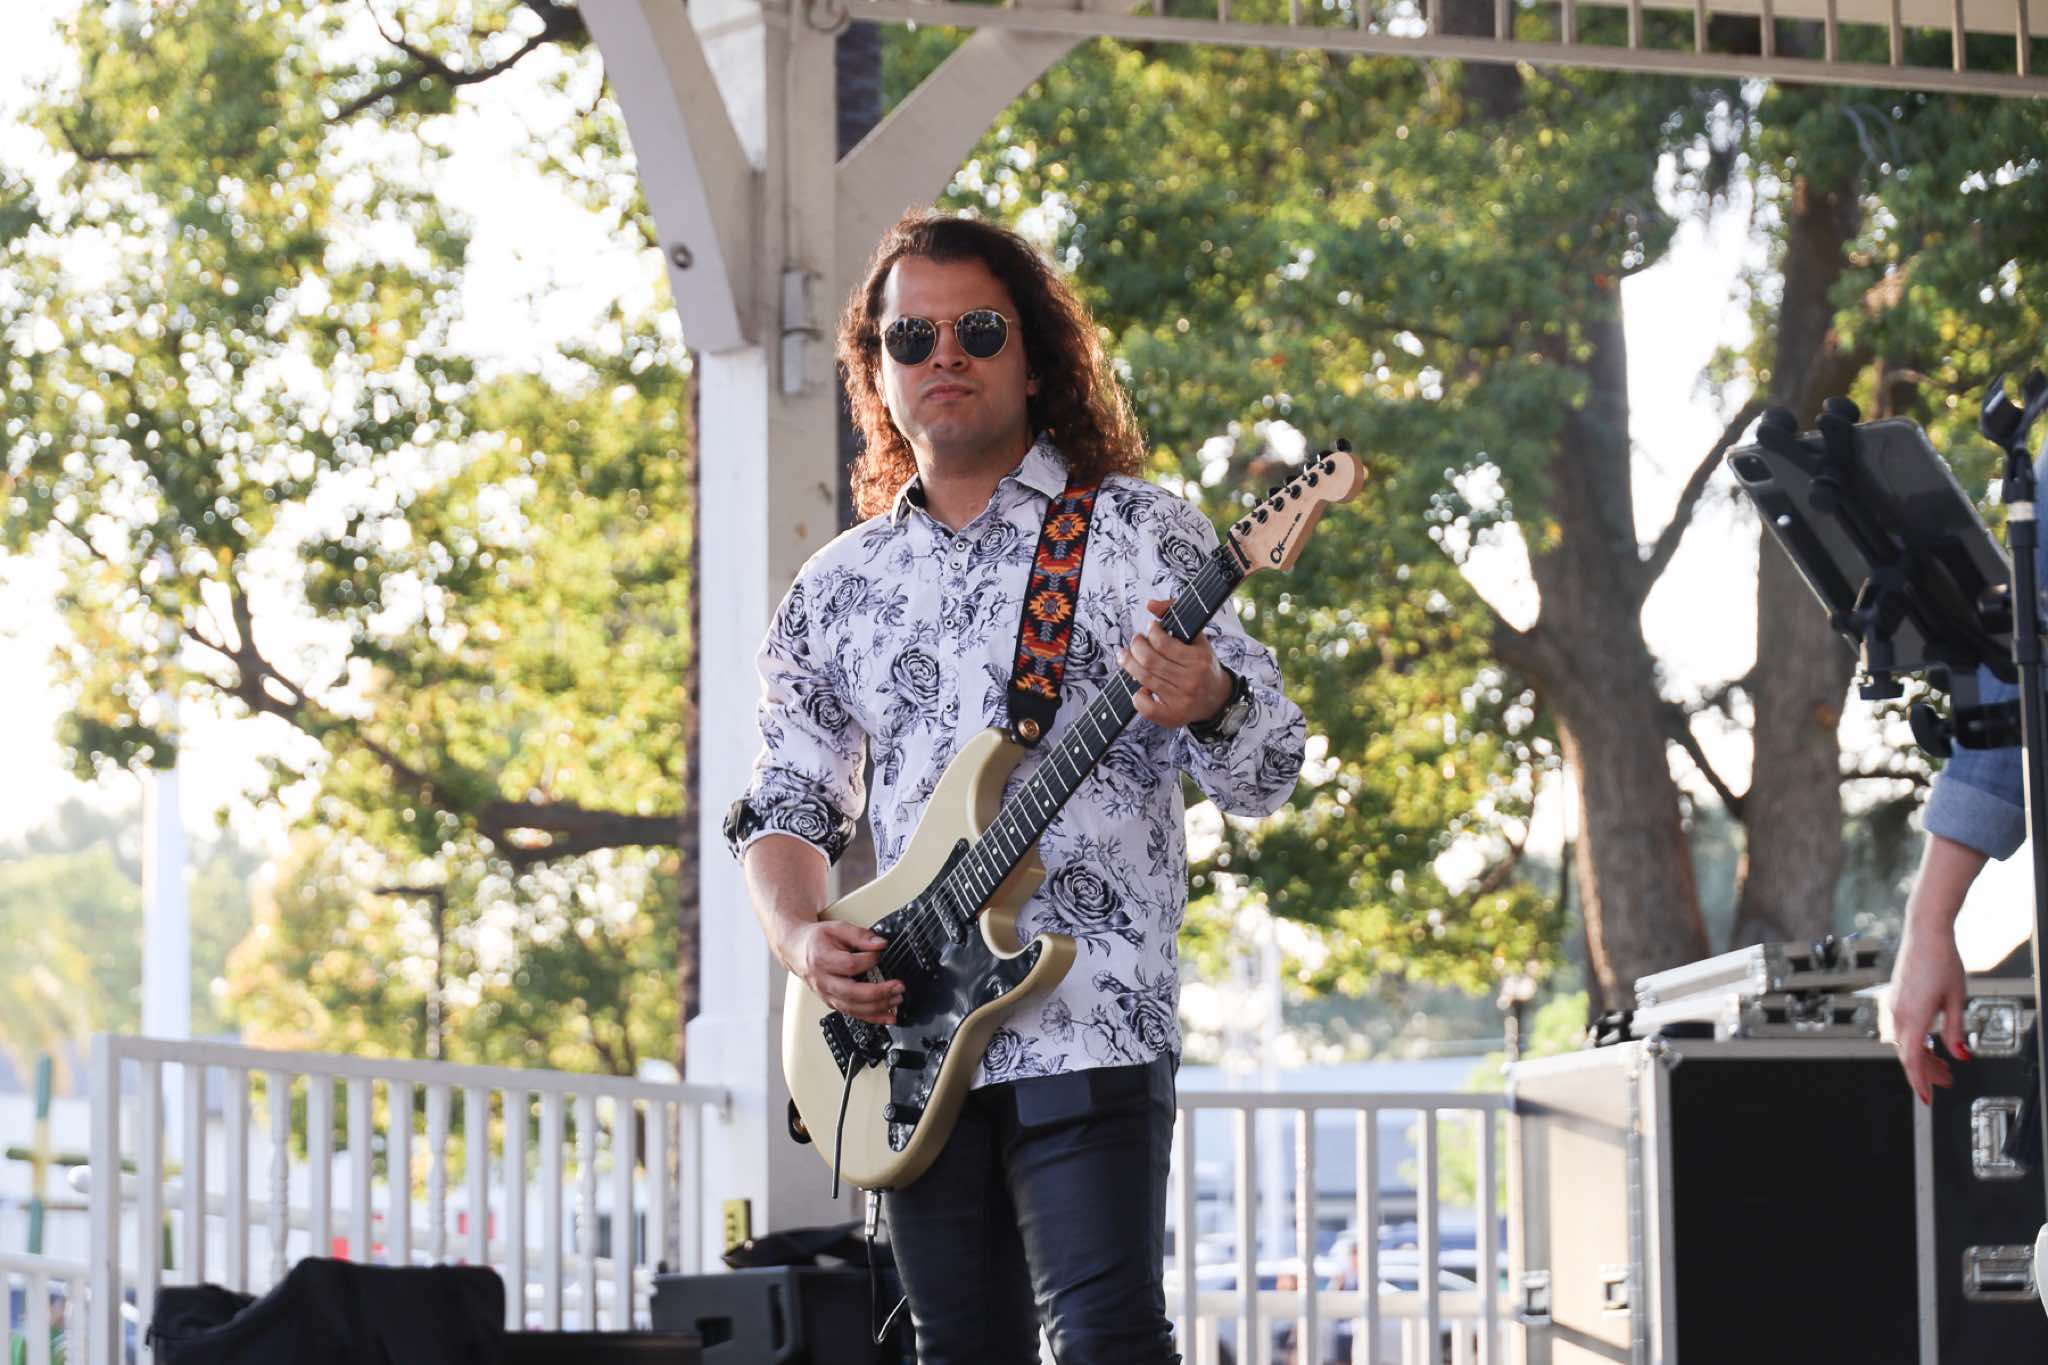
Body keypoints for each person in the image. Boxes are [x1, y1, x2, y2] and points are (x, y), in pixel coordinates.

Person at [723, 210, 1307, 1364]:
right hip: (906, 1040)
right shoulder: (837, 586)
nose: (943, 355)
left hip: (1089, 1018)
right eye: (911, 337)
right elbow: (786, 797)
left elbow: (1266, 772)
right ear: (877, 373)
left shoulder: (1139, 534)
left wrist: (1207, 698)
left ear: (1034, 357)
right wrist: (798, 937)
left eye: (977, 331)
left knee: (1106, 1345)